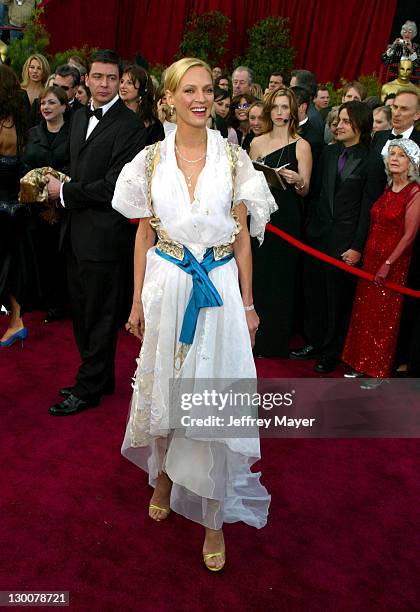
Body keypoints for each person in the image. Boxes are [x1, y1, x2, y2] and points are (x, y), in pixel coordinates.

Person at [111, 57, 275, 572]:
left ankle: (212, 516)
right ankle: (163, 473)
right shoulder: (148, 160)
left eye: (208, 90)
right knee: (166, 385)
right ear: (169, 98)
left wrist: (248, 304)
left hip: (221, 287)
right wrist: (137, 300)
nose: (200, 99)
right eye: (189, 90)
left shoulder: (235, 160)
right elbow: (142, 232)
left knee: (213, 394)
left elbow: (244, 239)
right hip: (167, 285)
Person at [46, 49, 147, 416]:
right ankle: (99, 378)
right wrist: (56, 182)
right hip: (74, 232)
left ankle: (88, 387)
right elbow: (75, 167)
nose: (103, 84)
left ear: (120, 81)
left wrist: (66, 192)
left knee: (100, 314)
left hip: (105, 238)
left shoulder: (131, 127)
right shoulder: (76, 117)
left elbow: (114, 187)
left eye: (111, 77)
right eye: (97, 76)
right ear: (86, 79)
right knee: (83, 311)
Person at [291, 101, 385, 372]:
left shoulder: (372, 160)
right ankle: (314, 341)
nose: (338, 125)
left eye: (345, 121)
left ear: (360, 124)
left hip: (344, 243)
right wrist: (309, 229)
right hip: (317, 237)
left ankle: (331, 351)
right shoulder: (329, 153)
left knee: (337, 300)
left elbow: (368, 209)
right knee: (314, 293)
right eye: (338, 120)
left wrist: (357, 246)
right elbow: (318, 194)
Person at [342, 140, 420, 384]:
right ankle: (359, 363)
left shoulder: (415, 192)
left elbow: (409, 235)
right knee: (364, 314)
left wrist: (388, 263)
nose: (394, 158)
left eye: (402, 156)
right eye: (392, 154)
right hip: (371, 260)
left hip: (393, 264)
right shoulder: (387, 188)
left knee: (383, 320)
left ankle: (378, 371)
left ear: (412, 163)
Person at [250, 87, 312, 357]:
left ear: (293, 111)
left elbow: (305, 189)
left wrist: (297, 179)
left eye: (285, 107)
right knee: (257, 276)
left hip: (286, 219)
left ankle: (274, 342)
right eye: (275, 107)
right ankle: (252, 339)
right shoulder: (256, 143)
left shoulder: (302, 144)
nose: (279, 112)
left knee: (281, 280)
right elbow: (247, 184)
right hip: (259, 216)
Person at [22, 85, 70, 323]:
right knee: (38, 253)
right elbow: (24, 166)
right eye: (43, 103)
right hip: (35, 207)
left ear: (63, 106)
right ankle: (41, 300)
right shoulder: (32, 134)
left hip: (64, 206)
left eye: (52, 103)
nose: (46, 107)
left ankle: (60, 303)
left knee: (60, 256)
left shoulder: (74, 135)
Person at [0, 64, 30, 347]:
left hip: (2, 205)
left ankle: (17, 321)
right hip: (16, 207)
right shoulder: (18, 124)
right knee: (11, 266)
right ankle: (16, 320)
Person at [119, 63, 164, 145]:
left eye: (129, 83)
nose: (122, 86)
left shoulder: (154, 126)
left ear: (142, 89)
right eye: (121, 81)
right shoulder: (111, 116)